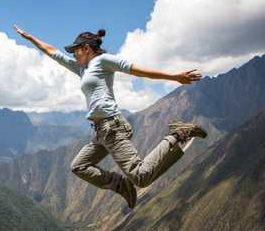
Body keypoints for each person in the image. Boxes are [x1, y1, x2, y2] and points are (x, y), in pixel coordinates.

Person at [14, 24, 207, 208]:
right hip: (100, 131)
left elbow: (137, 70)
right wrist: (30, 38)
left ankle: (178, 135)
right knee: (79, 166)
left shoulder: (103, 61)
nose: (72, 54)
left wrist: (174, 77)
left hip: (112, 127)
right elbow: (53, 53)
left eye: (75, 50)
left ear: (87, 48)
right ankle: (121, 185)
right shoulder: (82, 68)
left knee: (141, 176)